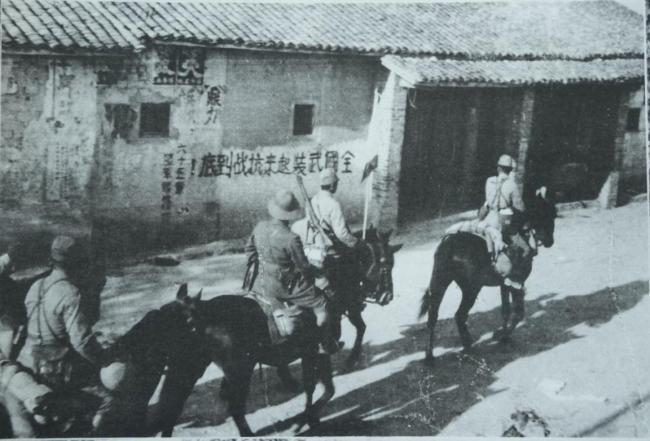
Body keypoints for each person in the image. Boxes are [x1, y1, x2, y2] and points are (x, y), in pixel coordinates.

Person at [17, 236, 113, 435]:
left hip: (28, 362)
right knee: (107, 399)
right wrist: (105, 359)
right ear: (77, 264)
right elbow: (82, 343)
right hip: (56, 370)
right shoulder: (71, 294)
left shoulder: (36, 286)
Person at [246, 190, 339, 354]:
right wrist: (317, 270)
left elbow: (249, 251)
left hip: (260, 283)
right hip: (284, 288)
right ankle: (323, 343)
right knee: (322, 303)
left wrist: (263, 266)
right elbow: (304, 267)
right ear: (290, 214)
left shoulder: (259, 227)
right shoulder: (291, 238)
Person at [292, 168, 360, 300]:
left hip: (311, 245)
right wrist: (355, 243)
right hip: (328, 248)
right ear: (333, 185)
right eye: (336, 183)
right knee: (354, 262)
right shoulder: (333, 204)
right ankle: (350, 298)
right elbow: (341, 234)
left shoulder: (312, 200)